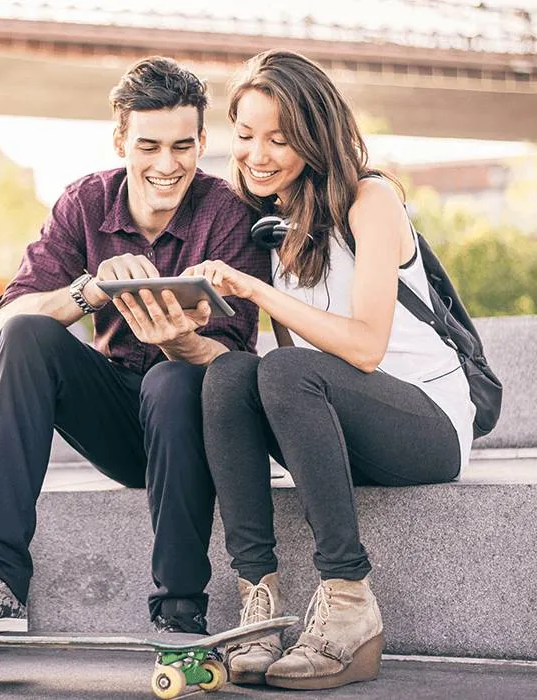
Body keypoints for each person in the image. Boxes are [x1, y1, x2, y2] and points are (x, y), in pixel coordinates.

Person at [0, 56, 269, 638]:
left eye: (183, 146)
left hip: (195, 428)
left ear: (202, 142)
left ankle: (180, 608)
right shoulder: (86, 202)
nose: (167, 165)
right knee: (30, 333)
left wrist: (180, 342)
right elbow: (11, 319)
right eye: (148, 146)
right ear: (120, 138)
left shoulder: (228, 211)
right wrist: (90, 289)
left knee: (172, 380)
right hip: (119, 419)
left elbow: (237, 375)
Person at [186, 50, 474, 690]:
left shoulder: (371, 200)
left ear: (314, 136)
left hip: (426, 424)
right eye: (246, 135)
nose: (257, 154)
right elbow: (289, 376)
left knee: (285, 369)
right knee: (231, 374)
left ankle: (348, 603)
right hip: (344, 427)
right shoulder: (273, 223)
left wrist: (256, 292)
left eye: (279, 139)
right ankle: (257, 599)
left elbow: (366, 348)